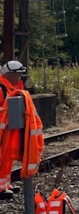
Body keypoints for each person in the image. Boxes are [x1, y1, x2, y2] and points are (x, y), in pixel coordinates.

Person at [0, 61, 44, 200]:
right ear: (9, 74)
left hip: (8, 130)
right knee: (2, 159)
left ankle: (5, 185)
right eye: (17, 73)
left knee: (7, 158)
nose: (19, 76)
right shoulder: (2, 88)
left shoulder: (12, 87)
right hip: (3, 130)